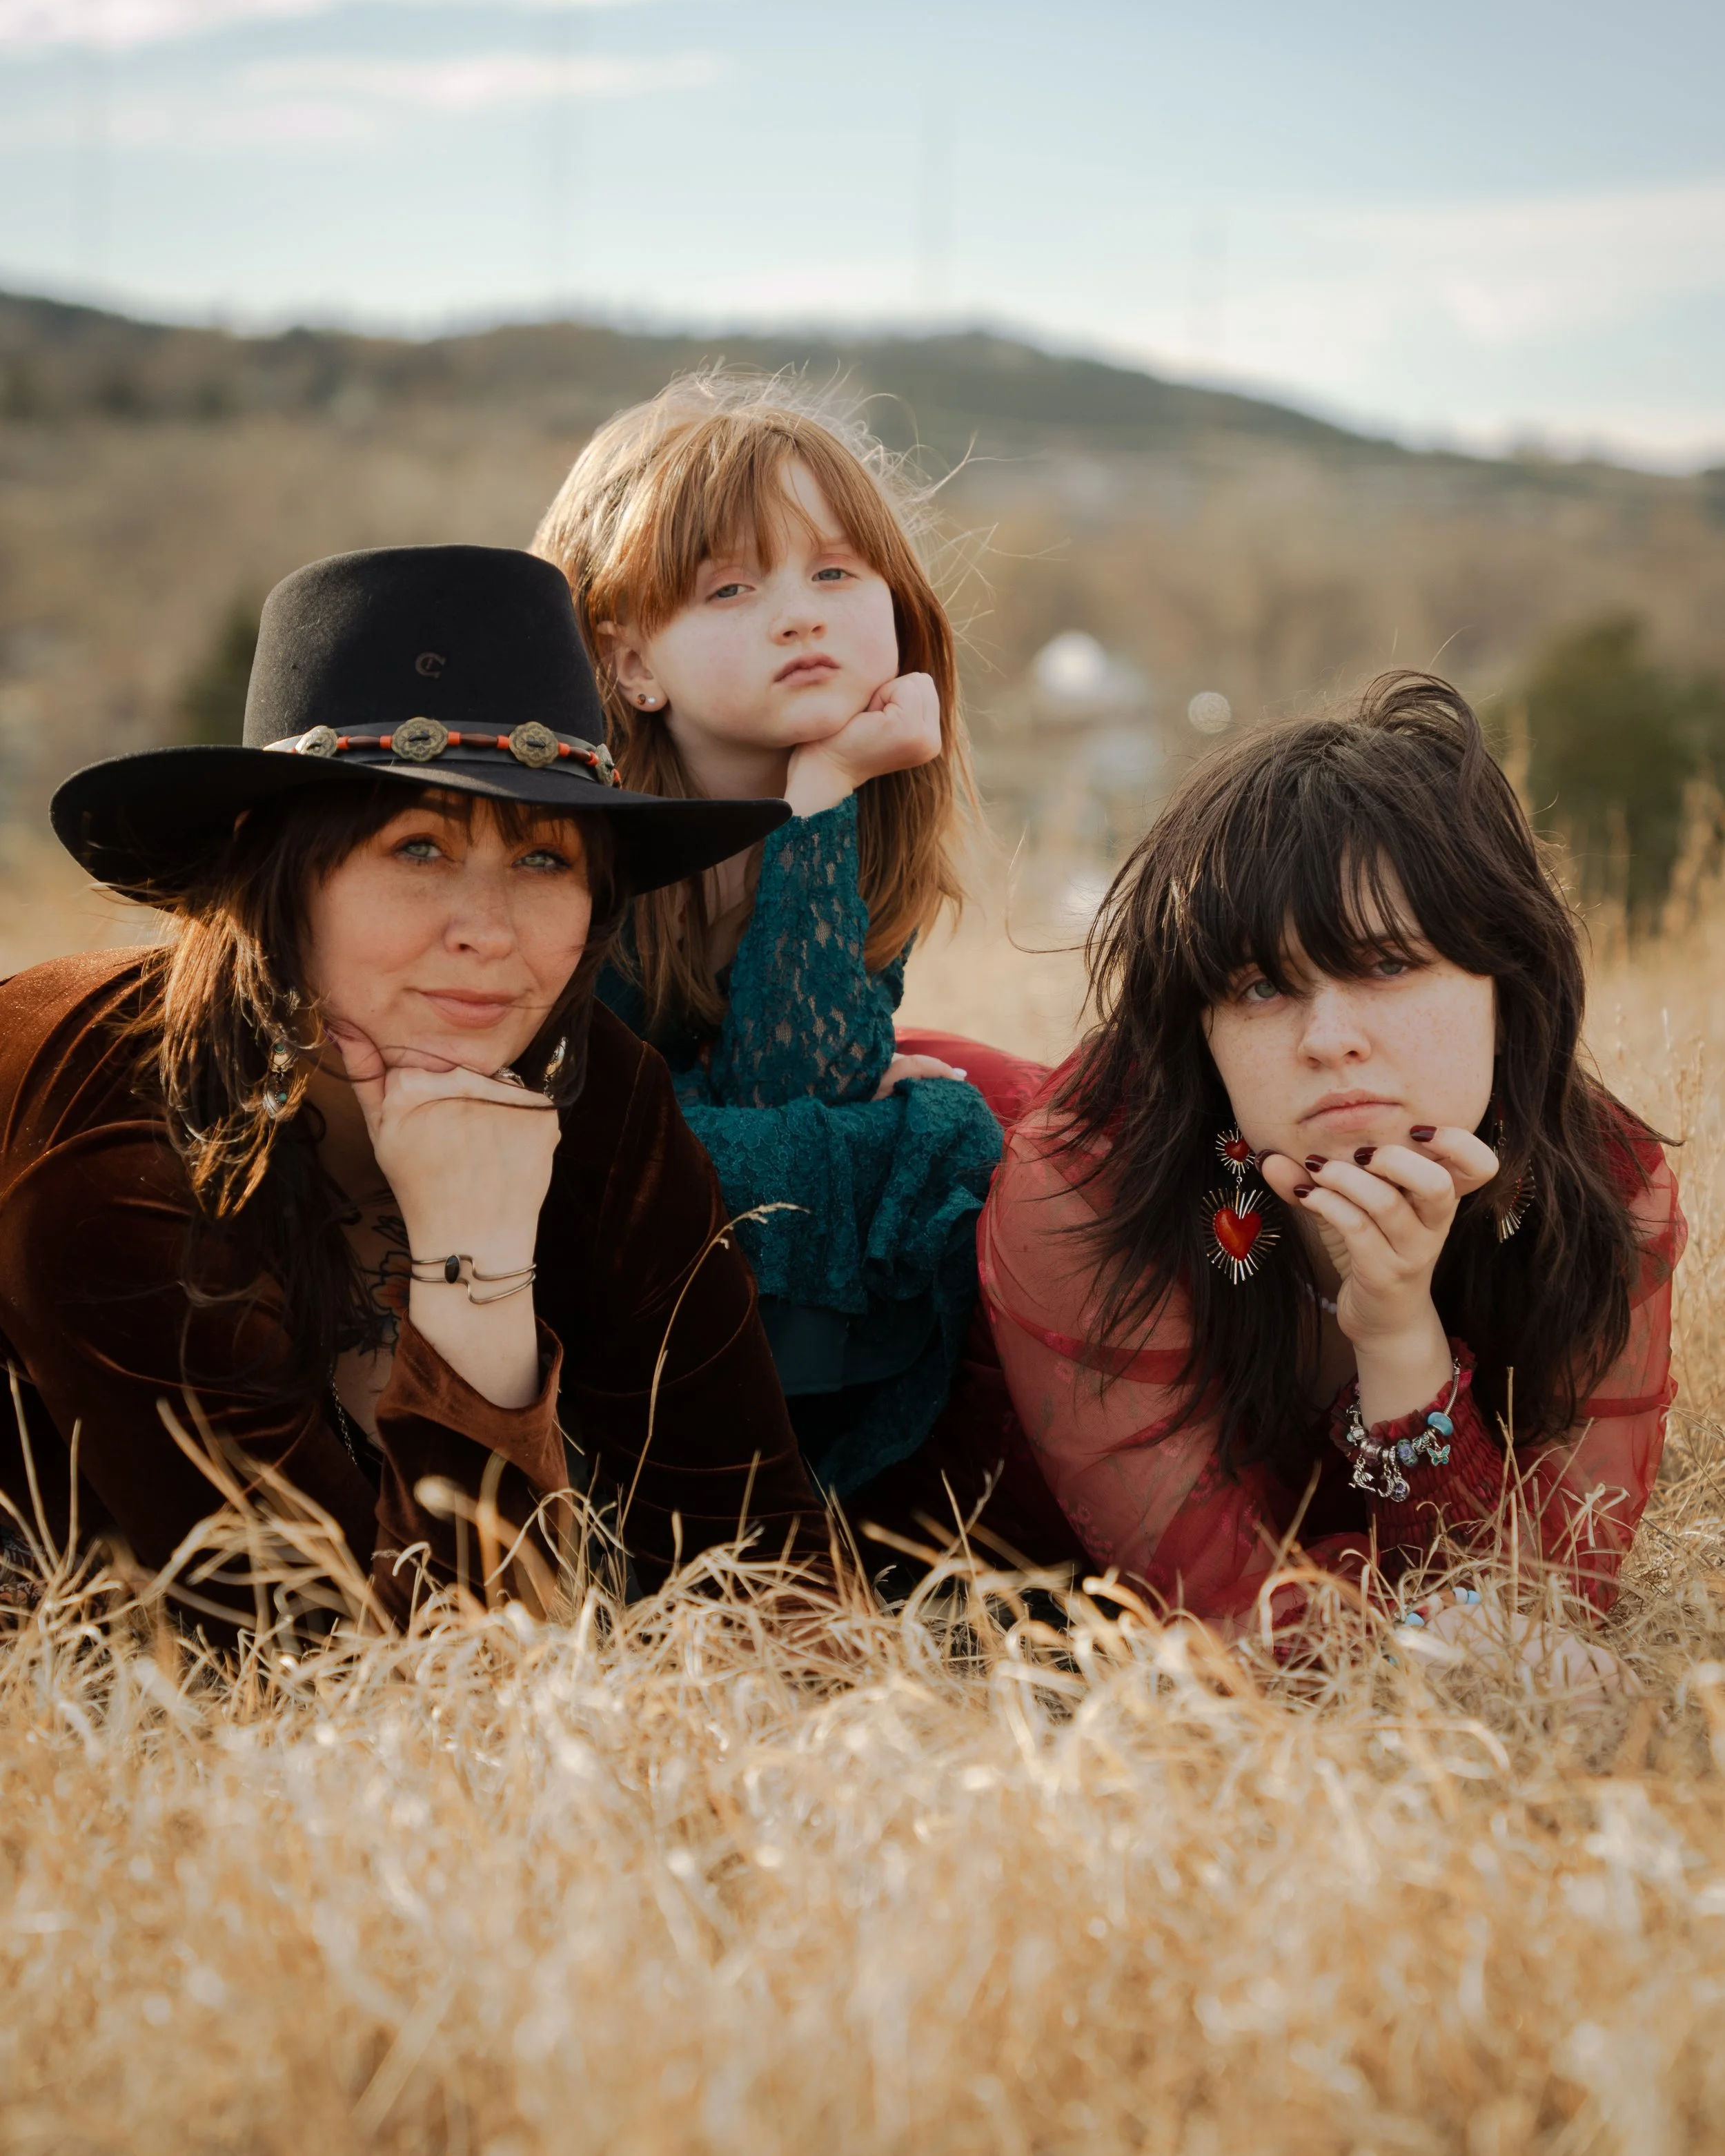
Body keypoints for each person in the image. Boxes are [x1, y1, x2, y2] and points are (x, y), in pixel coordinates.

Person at [0, 544, 830, 1634]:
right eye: (420, 847)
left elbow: (760, 1559)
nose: (486, 933)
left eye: (544, 862)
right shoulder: (117, 1128)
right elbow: (343, 1675)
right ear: (275, 875)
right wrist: (474, 1273)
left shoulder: (591, 1082)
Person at [976, 673, 1685, 1640]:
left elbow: (1547, 1600)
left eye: (1390, 964)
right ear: (1203, 1032)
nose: (1331, 1037)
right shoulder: (1083, 1190)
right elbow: (1223, 1612)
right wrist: (1442, 1643)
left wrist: (1400, 1340)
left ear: (1508, 992)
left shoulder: (1611, 1186)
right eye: (1263, 986)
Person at [531, 375, 1019, 1518]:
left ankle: (883, 1497)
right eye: (731, 589)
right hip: (575, 1206)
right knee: (888, 1138)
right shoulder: (575, 854)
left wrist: (823, 797)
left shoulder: (854, 811)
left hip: (705, 1183)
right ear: (628, 666)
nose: (799, 614)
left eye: (836, 572)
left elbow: (802, 1078)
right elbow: (615, 1129)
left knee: (946, 1125)